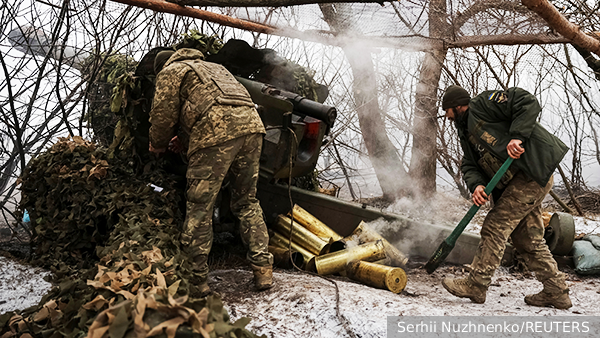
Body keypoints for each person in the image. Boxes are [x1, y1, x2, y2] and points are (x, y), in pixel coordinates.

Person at [149, 48, 274, 297]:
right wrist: (185, 139)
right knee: (246, 201)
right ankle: (263, 270)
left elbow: (163, 115)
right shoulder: (216, 69)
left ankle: (196, 280)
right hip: (252, 129)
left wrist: (158, 144)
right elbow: (213, 105)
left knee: (200, 205)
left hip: (216, 132)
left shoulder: (171, 71)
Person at [440, 85, 572, 309]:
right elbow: (470, 164)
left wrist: (517, 137)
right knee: (526, 238)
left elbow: (526, 100)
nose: (447, 116)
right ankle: (556, 291)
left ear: (457, 105)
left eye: (448, 110)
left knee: (495, 224)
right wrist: (477, 185)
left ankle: (476, 283)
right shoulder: (465, 132)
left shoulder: (483, 103)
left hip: (530, 172)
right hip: (514, 182)